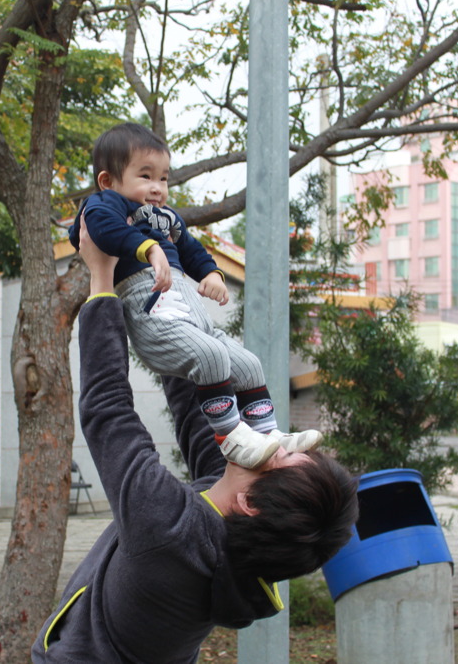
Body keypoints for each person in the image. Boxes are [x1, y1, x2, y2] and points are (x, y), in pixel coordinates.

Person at [31, 215, 358, 663]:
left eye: (282, 455)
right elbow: (194, 401)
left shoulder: (167, 529)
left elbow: (107, 410)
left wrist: (102, 278)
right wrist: (175, 303)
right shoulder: (233, 538)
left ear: (251, 504)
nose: (277, 441)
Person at [68, 122, 319, 470]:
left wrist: (211, 273)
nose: (157, 188)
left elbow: (191, 249)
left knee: (248, 364)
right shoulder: (105, 205)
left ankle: (267, 432)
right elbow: (100, 229)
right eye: (145, 176)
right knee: (213, 354)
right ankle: (231, 436)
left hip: (189, 311)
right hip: (153, 311)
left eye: (164, 178)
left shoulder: (167, 218)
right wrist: (149, 249)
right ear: (109, 181)